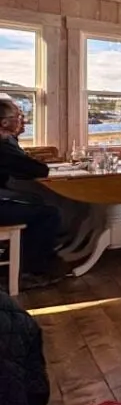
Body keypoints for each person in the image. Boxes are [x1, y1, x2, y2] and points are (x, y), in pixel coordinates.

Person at [0, 99, 63, 289]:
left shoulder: (5, 142)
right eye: (18, 117)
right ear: (4, 123)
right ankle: (32, 272)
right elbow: (36, 170)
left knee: (36, 202)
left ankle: (14, 261)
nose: (23, 121)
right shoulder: (2, 143)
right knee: (48, 214)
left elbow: (20, 166)